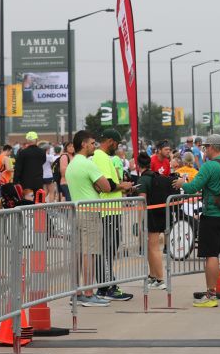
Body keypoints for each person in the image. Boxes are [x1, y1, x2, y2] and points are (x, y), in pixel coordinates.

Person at [175, 134, 220, 308]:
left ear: (212, 147)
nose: (204, 150)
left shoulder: (209, 166)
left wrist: (181, 183)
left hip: (212, 215)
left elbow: (193, 188)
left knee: (211, 255)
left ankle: (211, 296)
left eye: (205, 147)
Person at [66, 130, 116, 307]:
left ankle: (78, 291)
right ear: (84, 145)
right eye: (92, 143)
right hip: (90, 211)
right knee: (90, 252)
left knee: (80, 253)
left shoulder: (72, 165)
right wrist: (99, 186)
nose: (94, 146)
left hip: (77, 210)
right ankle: (88, 293)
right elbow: (107, 186)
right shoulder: (88, 164)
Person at [92, 130, 135, 301]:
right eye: (117, 144)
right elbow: (107, 185)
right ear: (110, 141)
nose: (118, 148)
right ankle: (107, 286)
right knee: (107, 250)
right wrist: (122, 185)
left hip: (110, 209)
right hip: (107, 210)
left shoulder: (102, 157)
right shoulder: (101, 157)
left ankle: (105, 286)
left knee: (108, 249)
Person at [133, 152, 174, 290]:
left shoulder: (142, 180)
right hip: (160, 214)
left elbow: (142, 201)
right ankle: (153, 276)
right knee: (152, 248)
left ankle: (160, 279)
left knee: (154, 248)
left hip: (150, 216)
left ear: (138, 166)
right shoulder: (155, 176)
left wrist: (139, 222)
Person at [14, 131, 46, 203]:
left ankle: (28, 214)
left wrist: (15, 181)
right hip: (38, 181)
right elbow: (43, 161)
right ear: (36, 140)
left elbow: (18, 168)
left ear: (27, 141)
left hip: (26, 182)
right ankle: (39, 214)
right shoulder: (41, 152)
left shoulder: (23, 153)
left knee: (27, 202)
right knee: (39, 201)